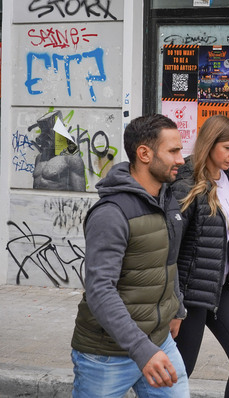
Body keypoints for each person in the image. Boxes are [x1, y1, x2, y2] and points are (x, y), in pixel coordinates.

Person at [70, 114, 190, 398]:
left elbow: (167, 261)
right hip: (107, 355)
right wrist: (141, 350)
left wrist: (177, 309)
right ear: (144, 154)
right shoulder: (112, 214)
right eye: (173, 151)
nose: (181, 159)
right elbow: (100, 291)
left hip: (159, 343)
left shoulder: (167, 200)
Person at [172, 114, 229, 398]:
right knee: (181, 370)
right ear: (209, 144)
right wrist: (175, 305)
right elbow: (171, 247)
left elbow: (228, 234)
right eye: (228, 147)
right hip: (190, 291)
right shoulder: (186, 181)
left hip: (219, 288)